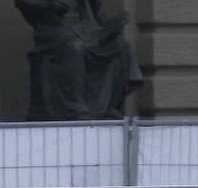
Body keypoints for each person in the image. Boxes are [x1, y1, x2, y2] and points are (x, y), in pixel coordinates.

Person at [15, 0, 143, 120]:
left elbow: (99, 13)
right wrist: (49, 6)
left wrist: (112, 26)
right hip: (52, 30)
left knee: (122, 47)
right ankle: (74, 106)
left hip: (83, 31)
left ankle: (108, 105)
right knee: (75, 47)